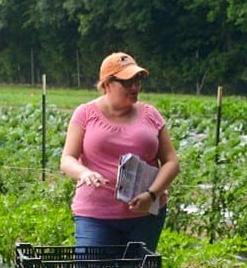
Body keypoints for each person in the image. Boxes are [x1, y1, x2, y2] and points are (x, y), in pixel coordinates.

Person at [60, 52, 180, 250]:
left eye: (138, 80)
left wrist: (151, 195)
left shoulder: (151, 115)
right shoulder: (85, 113)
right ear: (107, 84)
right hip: (95, 215)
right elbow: (67, 159)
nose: (134, 87)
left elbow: (172, 162)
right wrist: (85, 173)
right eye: (127, 82)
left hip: (144, 216)